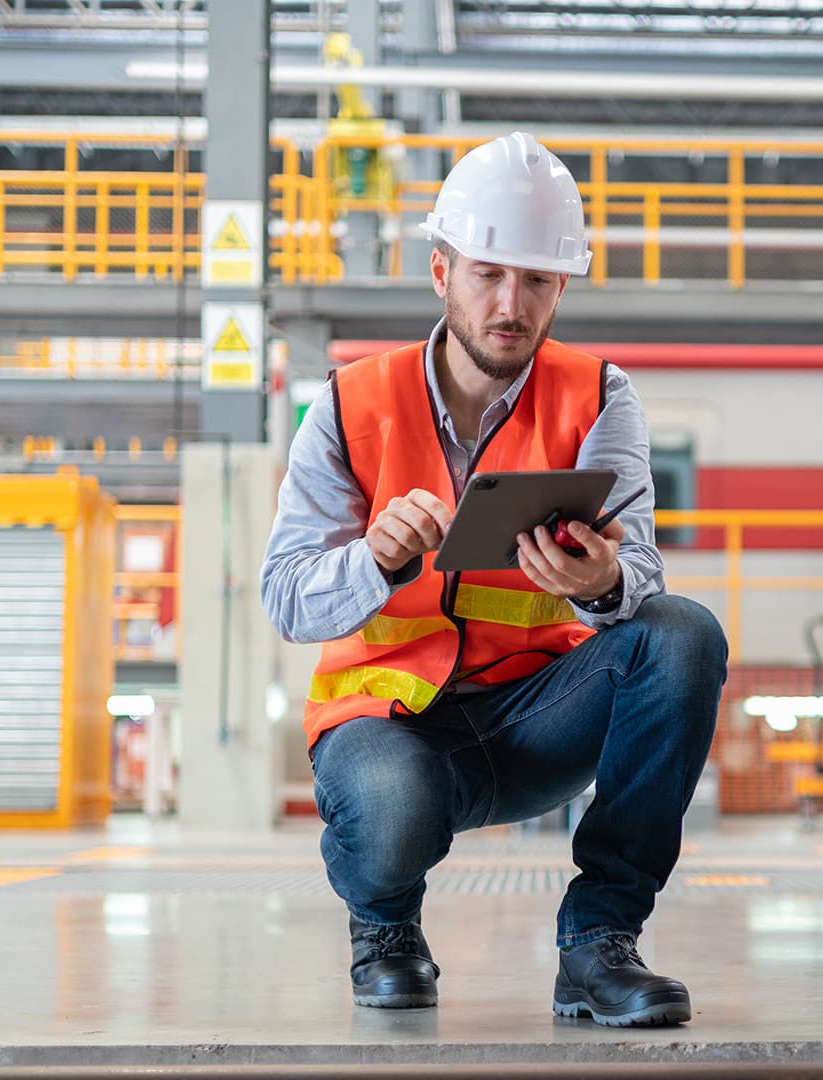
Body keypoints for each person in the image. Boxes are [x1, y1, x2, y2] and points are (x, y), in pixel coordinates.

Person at [260, 132, 728, 1028]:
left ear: (562, 287)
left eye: (538, 281)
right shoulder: (350, 406)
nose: (511, 304)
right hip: (388, 726)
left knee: (681, 631)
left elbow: (642, 576)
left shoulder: (598, 396)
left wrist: (598, 584)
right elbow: (285, 597)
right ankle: (386, 928)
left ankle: (598, 945)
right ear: (441, 272)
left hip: (534, 720)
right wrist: (375, 558)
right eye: (487, 275)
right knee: (390, 803)